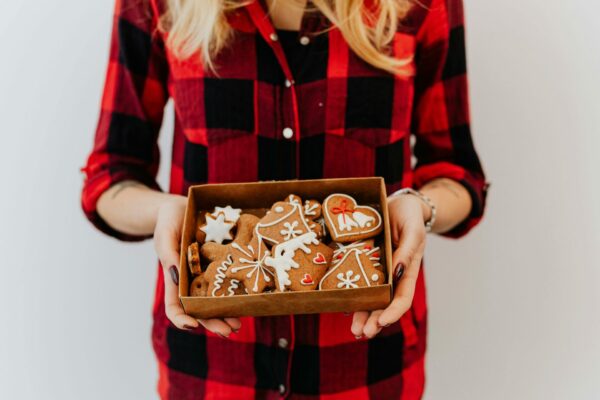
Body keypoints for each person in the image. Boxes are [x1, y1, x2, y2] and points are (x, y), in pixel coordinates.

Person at [81, 0, 488, 398]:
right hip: (213, 372)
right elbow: (111, 177)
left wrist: (420, 207)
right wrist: (165, 212)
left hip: (366, 370)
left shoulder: (422, 5)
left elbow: (457, 173)